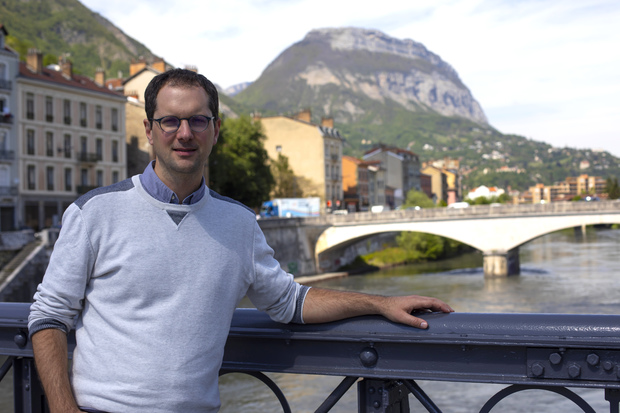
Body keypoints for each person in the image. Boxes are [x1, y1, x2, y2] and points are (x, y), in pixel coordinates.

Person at [28, 68, 454, 413]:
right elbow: (48, 317)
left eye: (198, 120)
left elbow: (290, 303)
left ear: (215, 130)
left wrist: (380, 304)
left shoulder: (238, 222)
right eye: (170, 120)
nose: (184, 133)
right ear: (149, 130)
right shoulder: (94, 212)